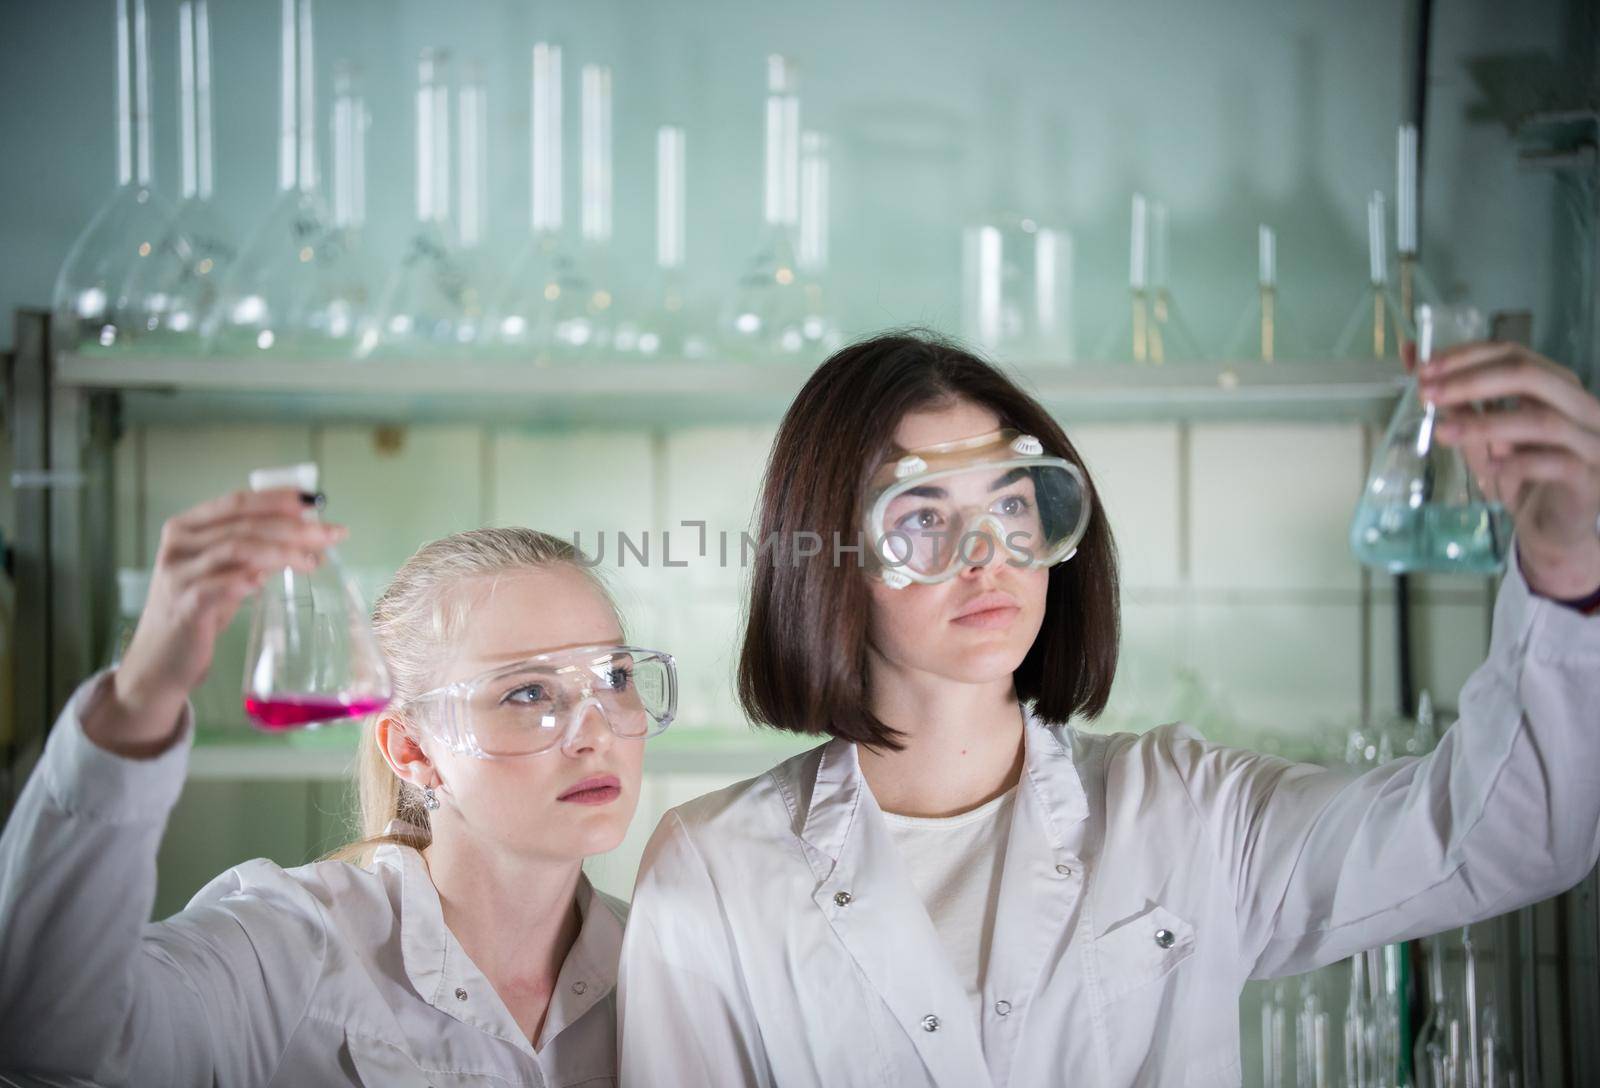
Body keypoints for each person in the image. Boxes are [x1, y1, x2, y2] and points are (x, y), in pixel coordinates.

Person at [618, 331, 1600, 1087]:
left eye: (1010, 505)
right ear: (827, 556)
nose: (987, 553)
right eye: (923, 517)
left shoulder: (1185, 810)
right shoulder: (712, 872)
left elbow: (1509, 837)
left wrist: (1567, 578)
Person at [0, 488, 678, 1087]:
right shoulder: (291, 949)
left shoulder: (671, 967)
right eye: (528, 692)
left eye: (614, 677)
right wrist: (141, 695)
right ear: (412, 750)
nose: (595, 733)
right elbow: (55, 1041)